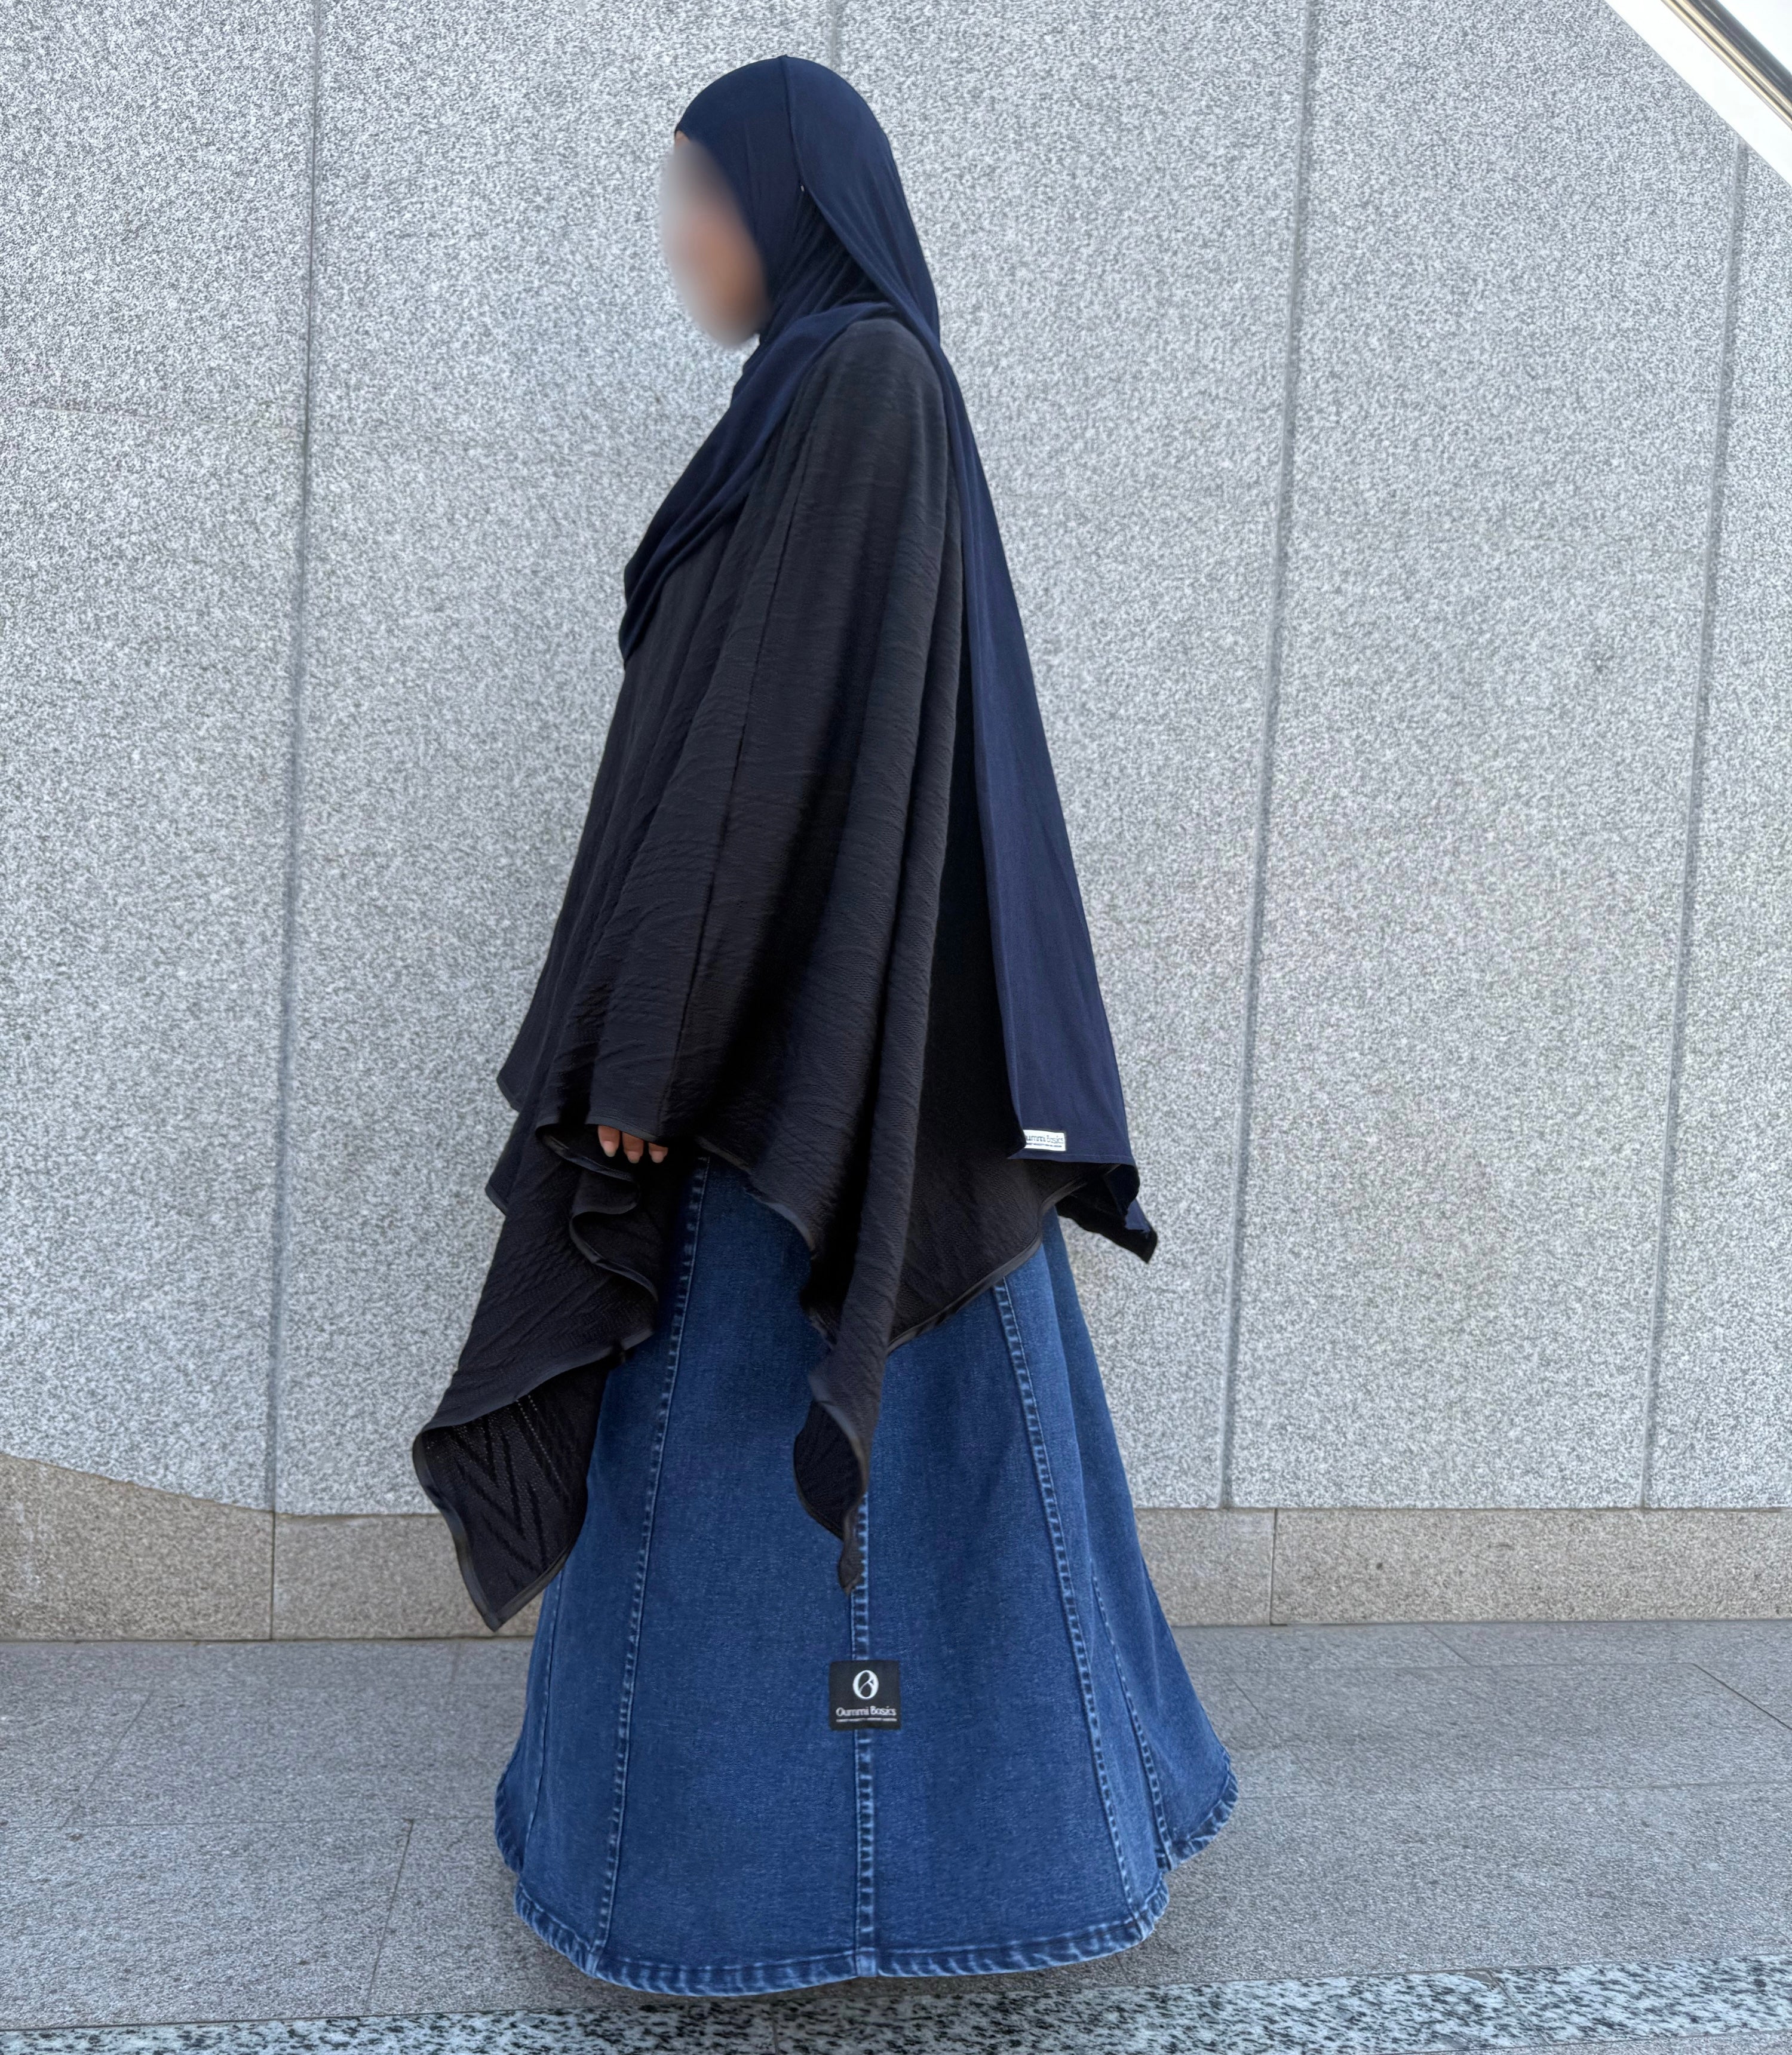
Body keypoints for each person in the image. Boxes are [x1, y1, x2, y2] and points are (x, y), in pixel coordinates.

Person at [412, 54, 1235, 1997]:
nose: (679, 238)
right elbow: (721, 749)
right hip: (810, 1058)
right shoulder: (812, 394)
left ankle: (797, 1892)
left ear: (790, 206)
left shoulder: (860, 384)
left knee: (782, 1458)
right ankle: (927, 1861)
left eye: (701, 196)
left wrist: (651, 1044)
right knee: (915, 1469)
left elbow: (768, 766)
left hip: (808, 1077)